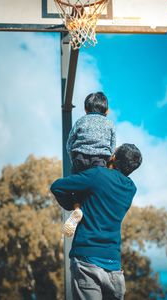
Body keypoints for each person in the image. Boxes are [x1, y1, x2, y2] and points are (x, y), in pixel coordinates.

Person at [50, 143, 142, 300]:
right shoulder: (131, 188)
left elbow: (57, 186)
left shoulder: (98, 175)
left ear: (113, 157)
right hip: (114, 268)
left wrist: (74, 205)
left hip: (87, 261)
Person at [63, 92, 116, 237]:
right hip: (99, 160)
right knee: (96, 188)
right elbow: (112, 147)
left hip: (80, 157)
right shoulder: (110, 124)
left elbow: (69, 143)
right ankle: (96, 213)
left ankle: (77, 208)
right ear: (106, 110)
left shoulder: (80, 121)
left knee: (77, 187)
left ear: (86, 109)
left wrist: (74, 158)